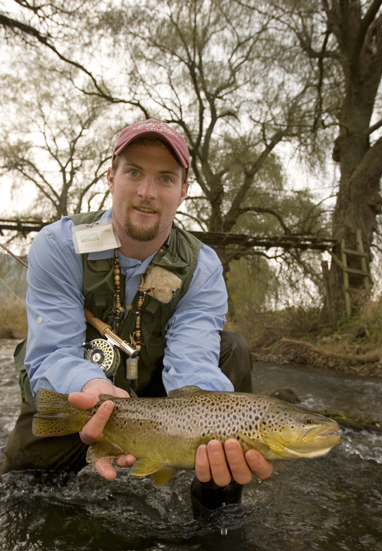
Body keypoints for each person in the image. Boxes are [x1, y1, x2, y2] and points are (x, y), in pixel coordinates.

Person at [1, 119, 272, 513]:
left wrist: (214, 428)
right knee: (21, 495)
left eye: (165, 178)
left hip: (162, 401)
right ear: (111, 177)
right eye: (133, 172)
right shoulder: (58, 245)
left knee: (232, 350)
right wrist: (93, 392)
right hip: (75, 392)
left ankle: (216, 508)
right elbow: (52, 353)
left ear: (183, 192)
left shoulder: (203, 268)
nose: (147, 192)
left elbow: (194, 364)